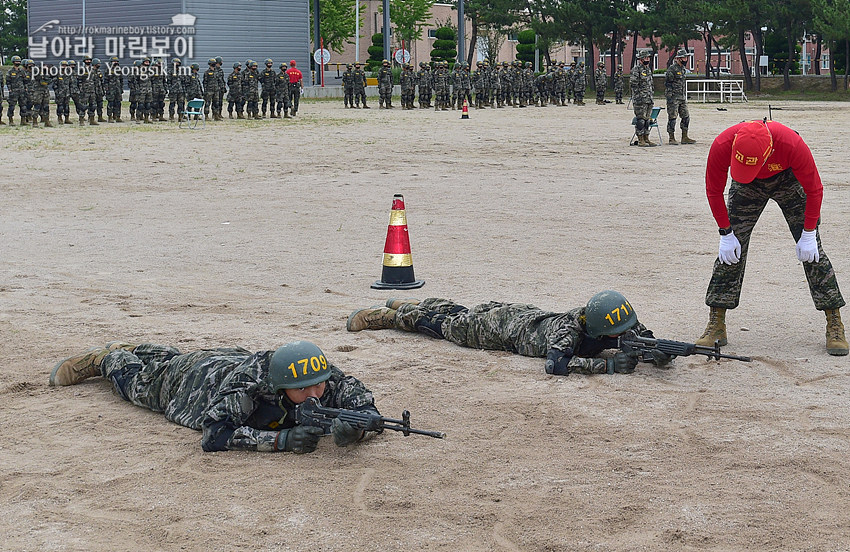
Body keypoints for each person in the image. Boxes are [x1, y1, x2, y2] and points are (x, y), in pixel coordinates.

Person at [49, 340, 380, 454]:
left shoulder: (317, 372)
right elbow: (214, 434)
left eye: (318, 386)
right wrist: (280, 442)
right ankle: (105, 358)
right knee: (137, 384)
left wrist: (359, 427)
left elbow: (363, 404)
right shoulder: (247, 391)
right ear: (279, 387)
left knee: (170, 356)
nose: (314, 394)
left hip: (230, 357)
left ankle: (143, 348)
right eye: (302, 390)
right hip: (193, 382)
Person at [695, 119, 848, 356]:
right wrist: (725, 232)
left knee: (812, 251)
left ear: (769, 151)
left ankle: (834, 322)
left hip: (787, 179)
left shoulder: (791, 143)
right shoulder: (723, 143)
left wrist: (808, 232)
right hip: (747, 187)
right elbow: (713, 189)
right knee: (731, 253)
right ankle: (717, 323)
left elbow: (814, 189)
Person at [346, 291, 673, 375]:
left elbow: (638, 333)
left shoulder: (609, 319)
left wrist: (657, 350)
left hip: (521, 313)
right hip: (499, 331)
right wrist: (608, 366)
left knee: (461, 312)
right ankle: (386, 316)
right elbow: (556, 365)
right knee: (443, 327)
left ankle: (411, 302)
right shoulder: (568, 331)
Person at [665, 48, 695, 145]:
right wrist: (669, 97)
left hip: (682, 97)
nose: (686, 59)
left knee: (686, 117)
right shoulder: (672, 69)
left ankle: (684, 137)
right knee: (672, 117)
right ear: (678, 58)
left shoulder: (683, 69)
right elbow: (668, 84)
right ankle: (671, 137)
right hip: (673, 98)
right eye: (684, 58)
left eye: (686, 58)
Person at [630, 48, 655, 147]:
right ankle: (640, 139)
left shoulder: (647, 69)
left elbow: (650, 84)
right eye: (645, 57)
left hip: (648, 99)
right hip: (640, 100)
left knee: (647, 120)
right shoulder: (636, 70)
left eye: (648, 57)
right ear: (640, 59)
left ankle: (646, 138)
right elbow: (634, 84)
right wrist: (638, 97)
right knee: (640, 120)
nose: (647, 59)